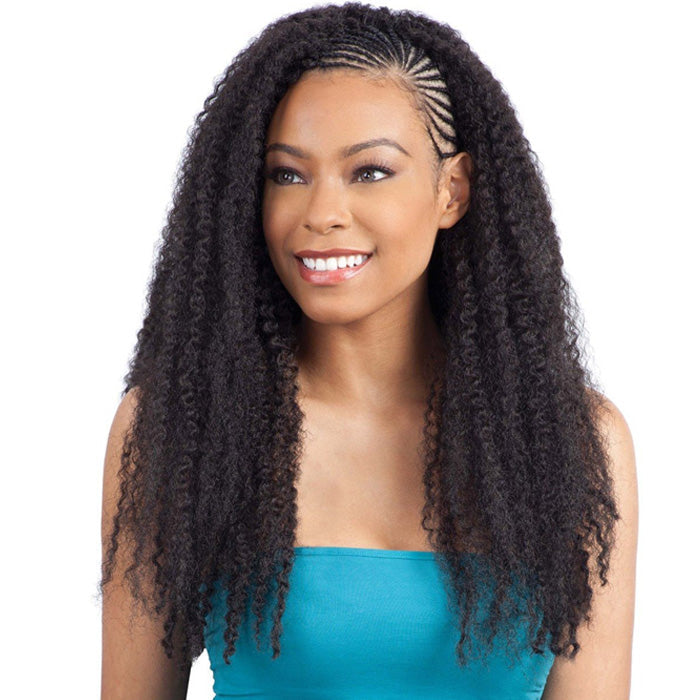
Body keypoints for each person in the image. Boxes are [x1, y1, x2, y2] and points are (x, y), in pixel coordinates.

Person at [99, 3, 638, 699]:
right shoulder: (182, 428)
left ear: (452, 191)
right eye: (287, 175)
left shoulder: (574, 441)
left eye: (370, 172)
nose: (322, 213)